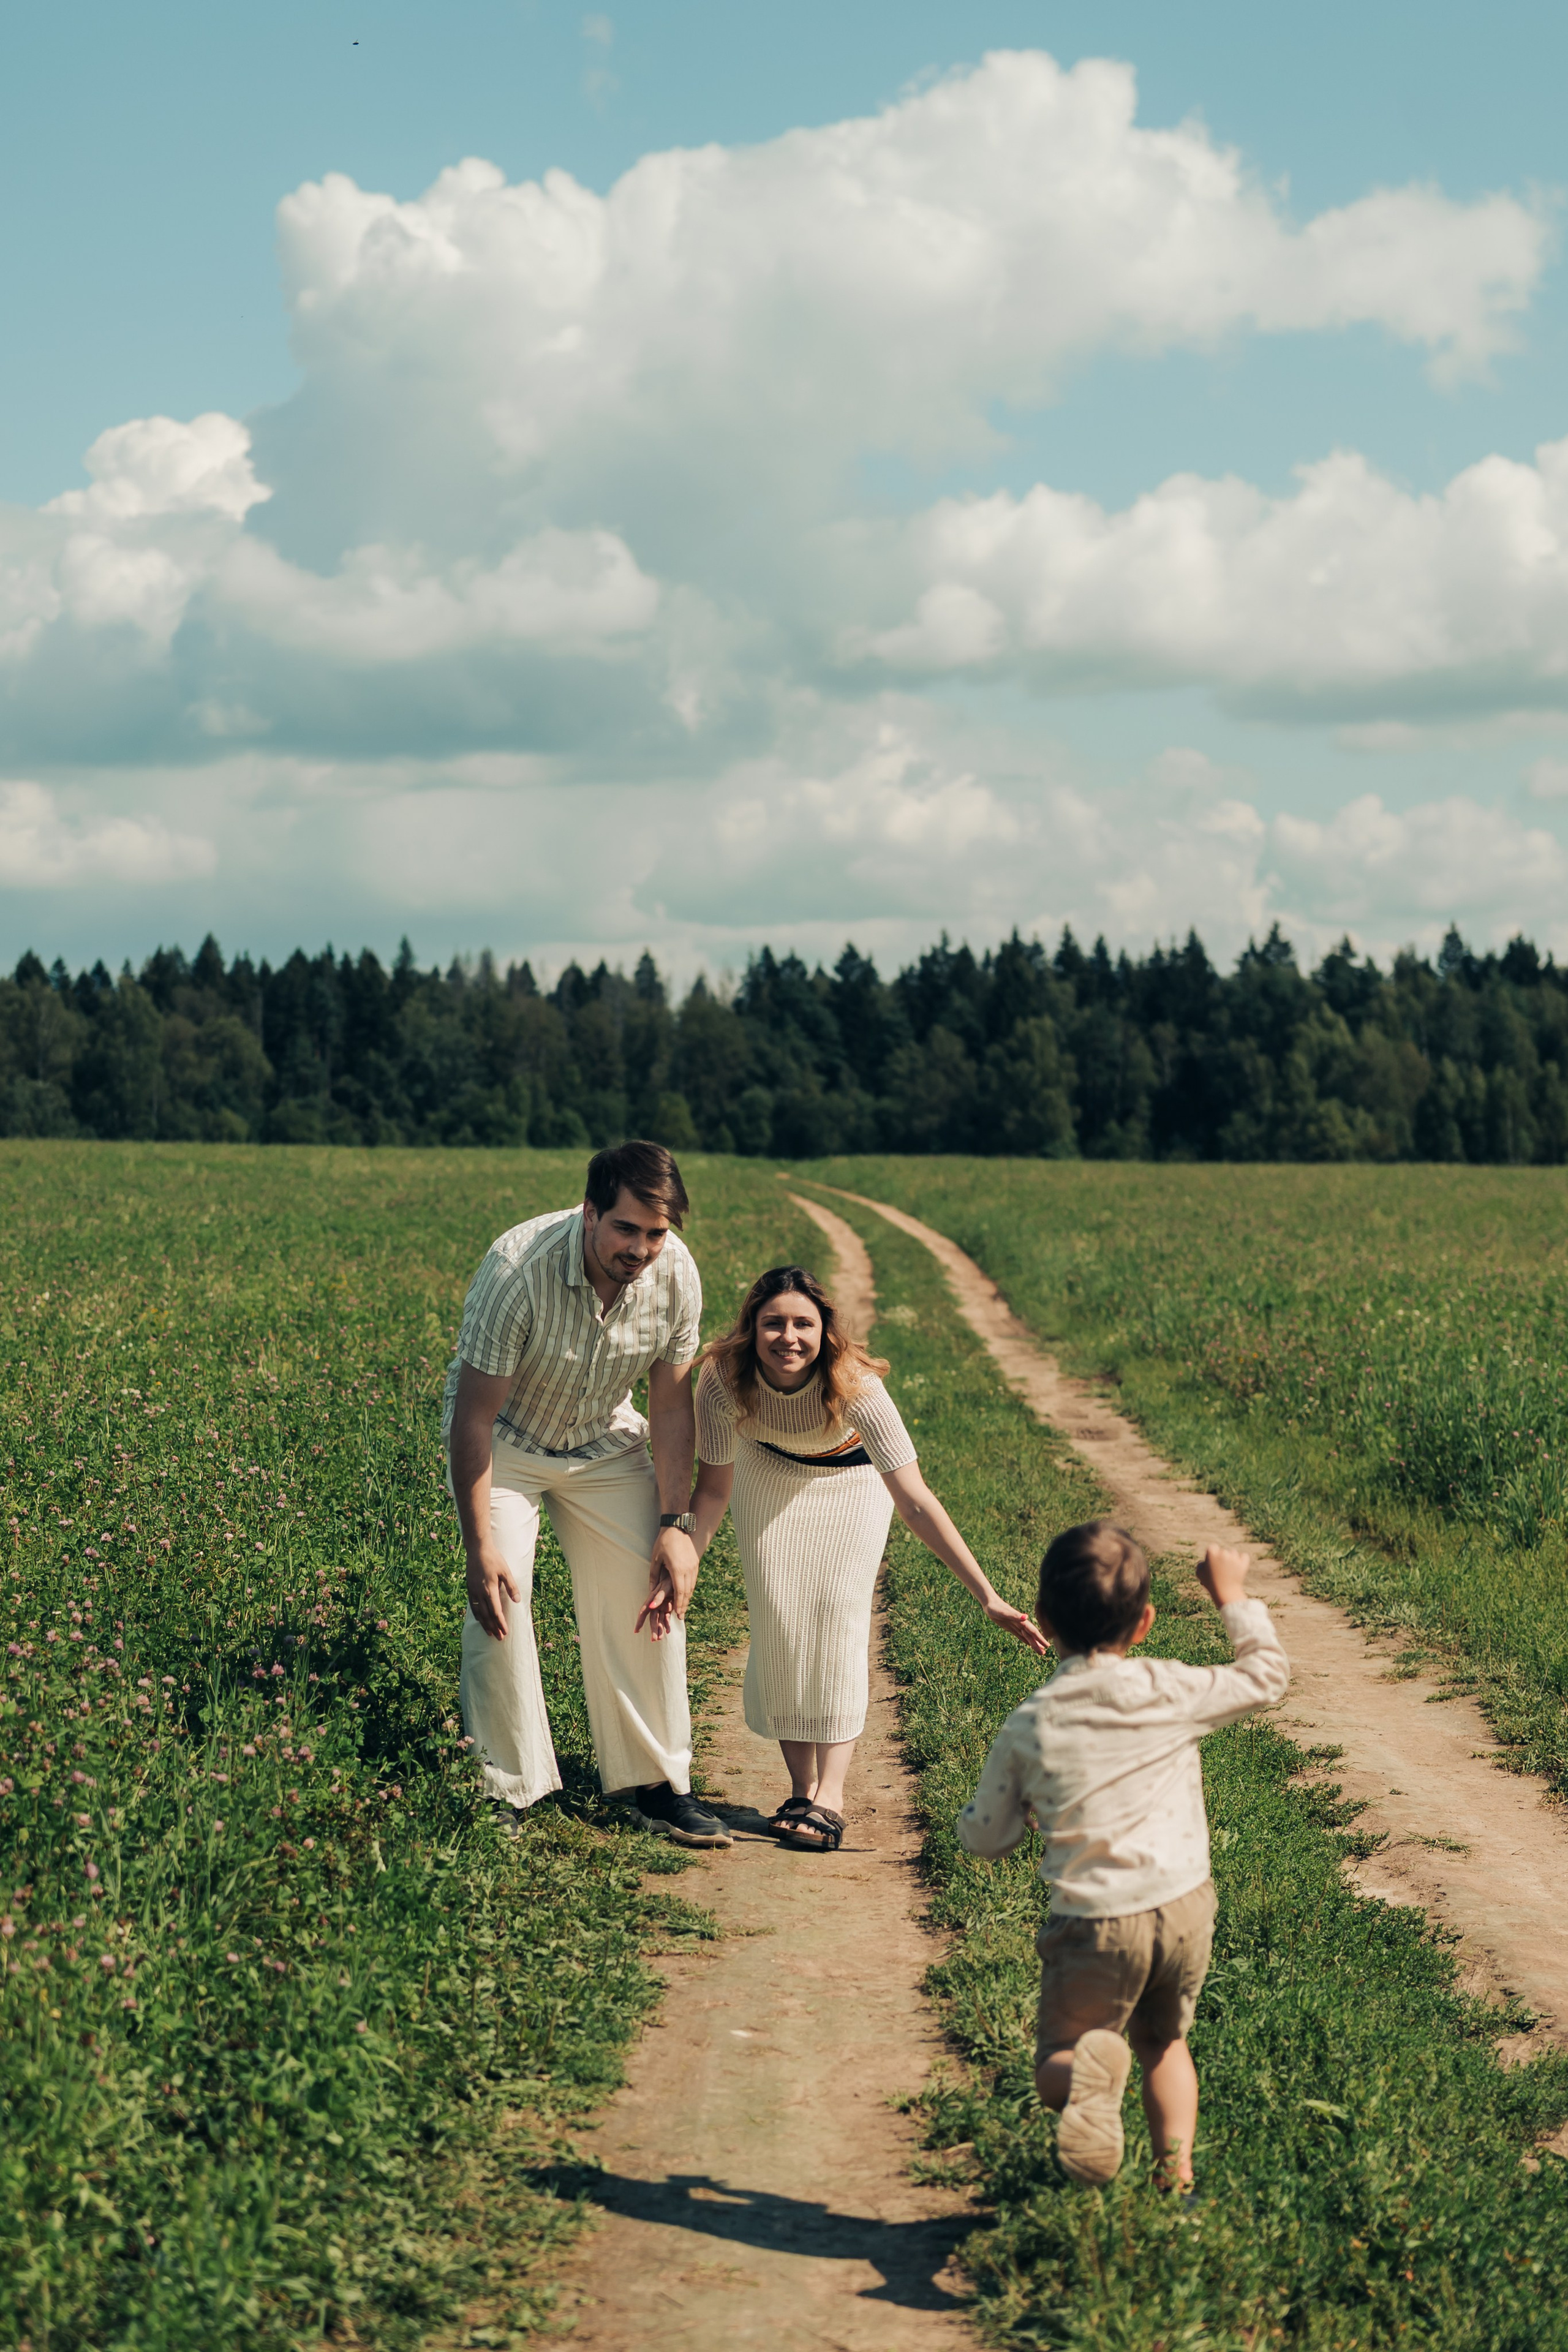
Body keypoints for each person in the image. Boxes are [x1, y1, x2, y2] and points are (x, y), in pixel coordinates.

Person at [957, 1523, 1288, 2192]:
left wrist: (1016, 1817)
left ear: (1044, 1620)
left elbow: (984, 1839)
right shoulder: (1170, 1689)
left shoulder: (1031, 1723)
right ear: (1144, 1624)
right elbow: (1265, 1676)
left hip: (1095, 1919)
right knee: (1164, 2043)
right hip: (1184, 1905)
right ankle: (1177, 2178)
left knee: (1061, 2057)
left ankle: (1084, 2079)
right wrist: (1232, 1597)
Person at [688, 1263, 1049, 1852]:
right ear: (751, 1328)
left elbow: (914, 1500)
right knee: (779, 1616)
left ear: (824, 1330)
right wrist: (686, 1566)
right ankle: (802, 1789)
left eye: (803, 1324)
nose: (788, 1337)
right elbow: (712, 1491)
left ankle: (831, 1796)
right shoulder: (723, 1380)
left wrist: (988, 1596)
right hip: (767, 1468)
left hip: (851, 1480)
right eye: (772, 1323)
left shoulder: (854, 1383)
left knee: (835, 1617)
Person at [444, 1139, 731, 1849]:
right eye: (625, 1229)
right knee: (501, 1596)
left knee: (650, 1586)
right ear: (590, 1213)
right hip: (508, 1442)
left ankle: (656, 1786)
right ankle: (506, 1790)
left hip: (603, 1438)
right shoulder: (518, 1269)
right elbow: (473, 1418)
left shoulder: (677, 1276)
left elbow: (669, 1407)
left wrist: (674, 1523)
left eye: (657, 1234)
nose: (640, 1249)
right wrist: (479, 1545)